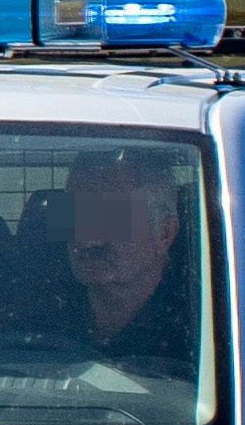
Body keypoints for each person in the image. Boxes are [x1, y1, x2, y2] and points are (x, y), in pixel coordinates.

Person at [63, 148, 192, 366]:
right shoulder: (31, 317)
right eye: (75, 215)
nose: (87, 238)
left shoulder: (204, 327)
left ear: (164, 233)